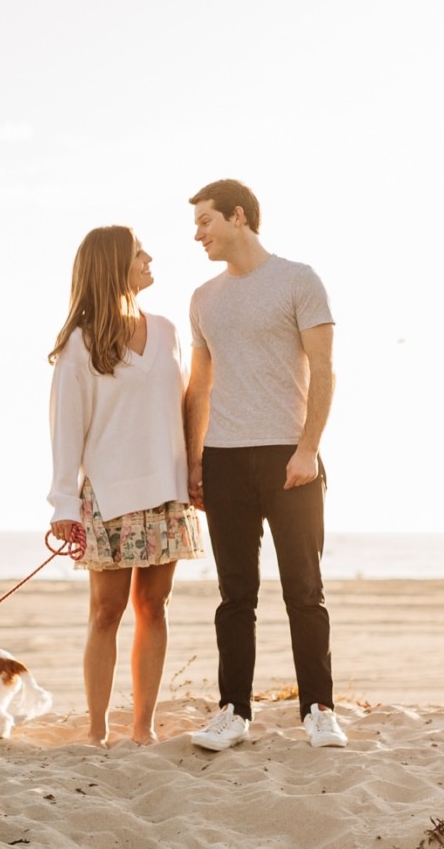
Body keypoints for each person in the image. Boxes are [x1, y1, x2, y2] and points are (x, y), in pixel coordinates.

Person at [183, 179, 347, 750]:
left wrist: (307, 448)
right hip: (225, 459)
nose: (197, 233)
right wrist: (194, 459)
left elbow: (324, 369)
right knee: (235, 594)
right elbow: (199, 387)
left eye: (205, 221)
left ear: (238, 217)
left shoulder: (298, 279)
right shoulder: (204, 297)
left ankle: (319, 709)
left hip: (288, 455)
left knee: (304, 590)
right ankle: (233, 711)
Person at [47, 225, 203, 746]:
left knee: (154, 608)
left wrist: (194, 472)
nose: (150, 258)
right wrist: (63, 505)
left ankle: (143, 727)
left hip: (166, 493)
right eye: (140, 254)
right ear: (115, 265)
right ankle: (96, 730)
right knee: (106, 612)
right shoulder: (80, 344)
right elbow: (65, 430)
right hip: (108, 497)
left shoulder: (166, 330)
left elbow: (183, 409)